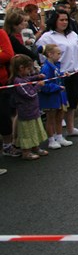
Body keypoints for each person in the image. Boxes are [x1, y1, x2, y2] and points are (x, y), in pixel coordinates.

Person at [36, 9, 78, 140]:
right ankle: (55, 135)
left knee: (73, 101)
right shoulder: (47, 37)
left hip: (75, 71)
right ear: (55, 21)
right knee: (57, 107)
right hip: (60, 75)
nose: (64, 22)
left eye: (66, 20)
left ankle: (71, 128)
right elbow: (41, 56)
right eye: (61, 20)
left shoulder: (73, 35)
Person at [9, 55, 49, 161]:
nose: (30, 71)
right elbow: (29, 94)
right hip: (26, 112)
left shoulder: (23, 78)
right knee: (27, 133)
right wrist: (38, 85)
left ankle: (35, 147)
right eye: (28, 69)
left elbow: (29, 79)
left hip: (33, 110)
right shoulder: (18, 81)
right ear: (21, 68)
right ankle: (26, 152)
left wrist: (37, 77)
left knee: (34, 130)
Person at [39, 44, 71, 150]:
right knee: (51, 118)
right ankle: (51, 140)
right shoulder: (46, 68)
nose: (60, 56)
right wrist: (57, 87)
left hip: (59, 95)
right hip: (51, 97)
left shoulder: (55, 65)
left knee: (59, 116)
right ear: (50, 54)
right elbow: (44, 85)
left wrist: (63, 74)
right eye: (58, 53)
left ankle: (59, 136)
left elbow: (57, 76)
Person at [0, 26, 16, 163]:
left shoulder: (1, 33)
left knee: (4, 116)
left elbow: (8, 54)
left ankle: (7, 146)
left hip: (1, 82)